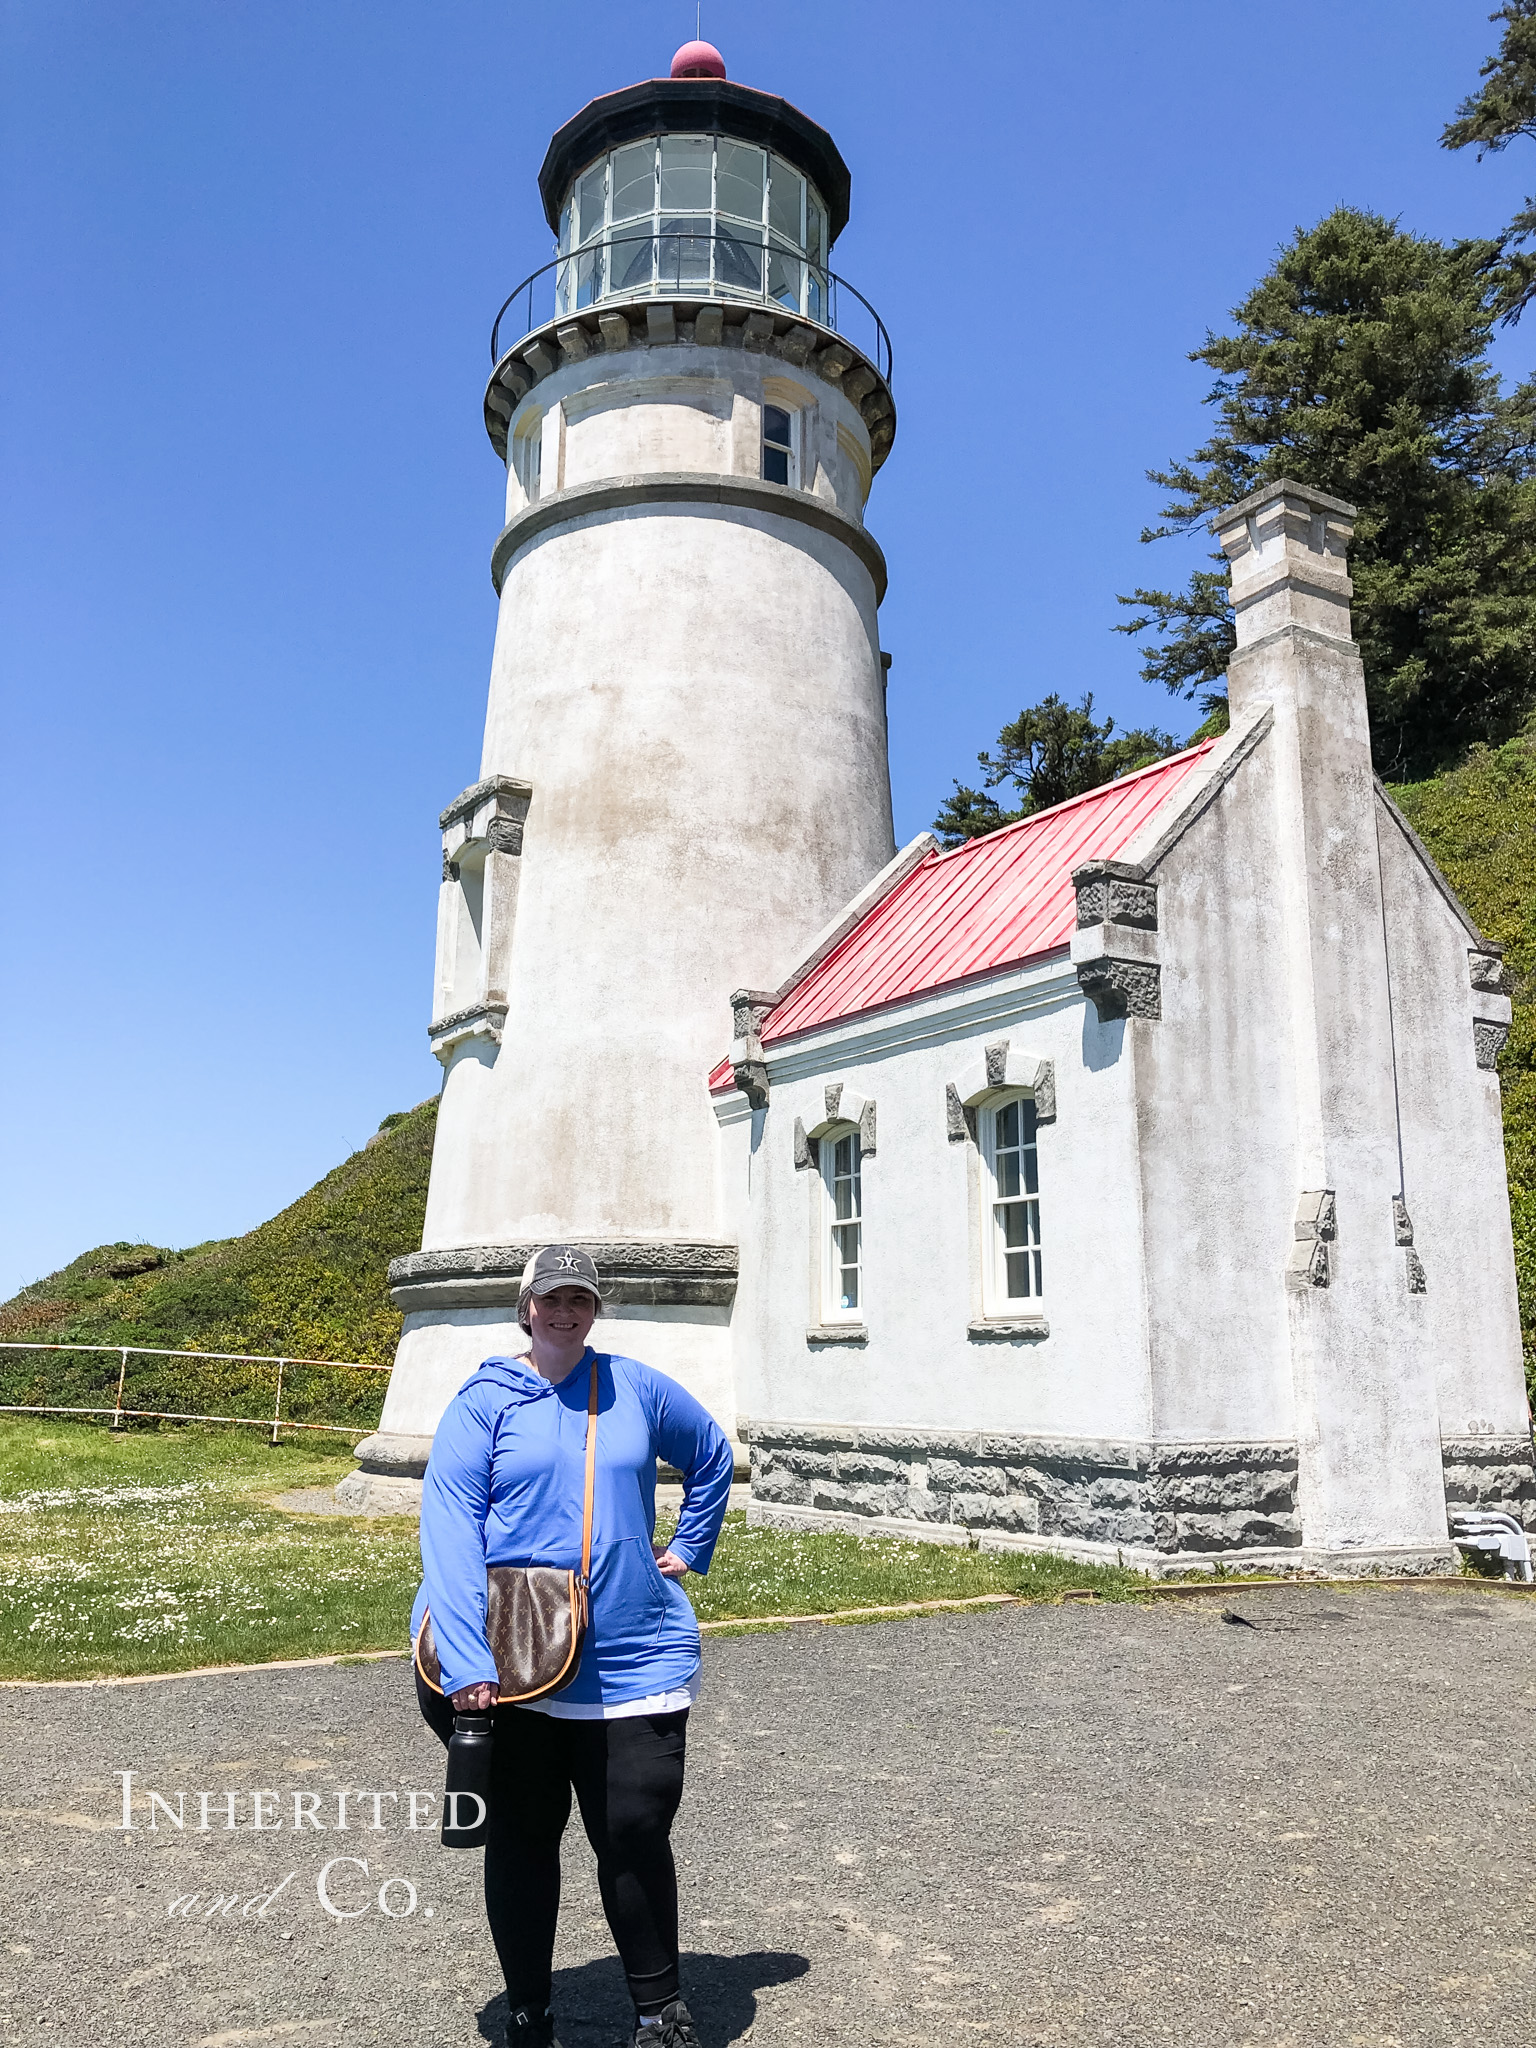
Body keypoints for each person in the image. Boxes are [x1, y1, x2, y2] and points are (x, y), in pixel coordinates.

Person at [412, 1244, 735, 2048]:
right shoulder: (483, 1402)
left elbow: (712, 1455)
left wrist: (691, 1545)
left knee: (633, 1828)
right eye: (551, 1298)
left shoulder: (638, 1388)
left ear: (595, 1309)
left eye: (580, 1299)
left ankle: (660, 2010)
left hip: (632, 1651)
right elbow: (448, 1530)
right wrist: (466, 1661)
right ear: (525, 1307)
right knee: (523, 1838)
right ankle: (530, 2013)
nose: (565, 1311)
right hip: (517, 1660)